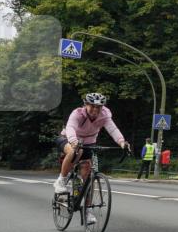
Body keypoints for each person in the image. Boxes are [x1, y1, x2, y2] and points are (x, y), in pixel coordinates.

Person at [54, 93, 132, 222]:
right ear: (86, 105)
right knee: (75, 152)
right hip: (68, 138)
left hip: (89, 143)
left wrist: (122, 142)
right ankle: (61, 180)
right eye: (92, 106)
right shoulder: (77, 113)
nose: (95, 110)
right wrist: (74, 142)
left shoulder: (105, 115)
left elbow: (113, 130)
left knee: (88, 176)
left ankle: (87, 211)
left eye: (99, 107)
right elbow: (70, 127)